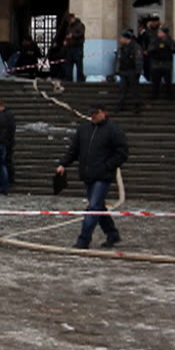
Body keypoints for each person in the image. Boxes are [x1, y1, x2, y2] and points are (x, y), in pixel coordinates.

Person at [56, 103, 128, 249]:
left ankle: (84, 239)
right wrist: (63, 163)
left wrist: (108, 166)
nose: (92, 116)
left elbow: (122, 152)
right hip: (88, 175)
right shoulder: (84, 129)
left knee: (94, 206)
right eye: (91, 113)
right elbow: (74, 150)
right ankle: (112, 233)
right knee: (98, 207)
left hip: (103, 176)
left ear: (103, 112)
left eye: (95, 113)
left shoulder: (113, 130)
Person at [113, 30, 144, 114]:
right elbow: (119, 59)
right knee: (122, 89)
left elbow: (138, 59)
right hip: (124, 71)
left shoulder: (135, 47)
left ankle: (136, 105)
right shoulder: (122, 47)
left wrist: (138, 71)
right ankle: (120, 105)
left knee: (135, 90)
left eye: (122, 38)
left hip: (132, 71)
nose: (120, 39)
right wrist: (117, 70)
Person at [146, 28, 175, 101]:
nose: (158, 33)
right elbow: (149, 50)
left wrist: (167, 46)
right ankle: (154, 95)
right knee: (155, 82)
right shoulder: (155, 41)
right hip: (156, 64)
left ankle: (169, 96)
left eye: (160, 32)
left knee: (167, 81)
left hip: (166, 64)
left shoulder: (170, 41)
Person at [57, 13, 86, 82]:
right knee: (69, 64)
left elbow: (81, 34)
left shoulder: (80, 25)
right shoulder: (69, 27)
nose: (69, 21)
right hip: (69, 47)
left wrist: (73, 35)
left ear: (73, 18)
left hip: (77, 47)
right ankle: (69, 78)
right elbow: (67, 35)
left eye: (69, 20)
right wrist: (66, 41)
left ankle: (80, 79)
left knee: (79, 64)